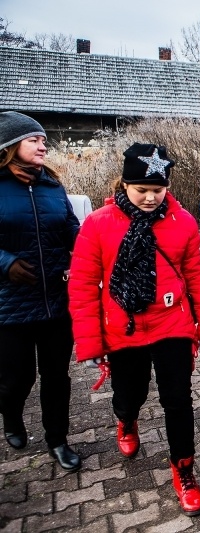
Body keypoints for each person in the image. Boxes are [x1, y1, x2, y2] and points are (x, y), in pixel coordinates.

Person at [69, 143, 200, 516]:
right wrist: (89, 344)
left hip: (172, 325)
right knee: (130, 393)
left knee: (178, 402)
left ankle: (184, 470)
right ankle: (126, 419)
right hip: (123, 330)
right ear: (124, 185)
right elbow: (84, 286)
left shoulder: (182, 222)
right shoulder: (98, 223)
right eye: (142, 191)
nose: (151, 198)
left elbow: (198, 277)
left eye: (158, 190)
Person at [0, 111, 81, 472]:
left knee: (56, 376)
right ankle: (12, 416)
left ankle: (57, 439)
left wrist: (88, 252)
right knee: (17, 377)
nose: (42, 145)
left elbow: (71, 228)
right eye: (34, 139)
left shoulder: (51, 185)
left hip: (56, 301)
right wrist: (4, 262)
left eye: (44, 140)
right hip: (10, 305)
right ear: (10, 146)